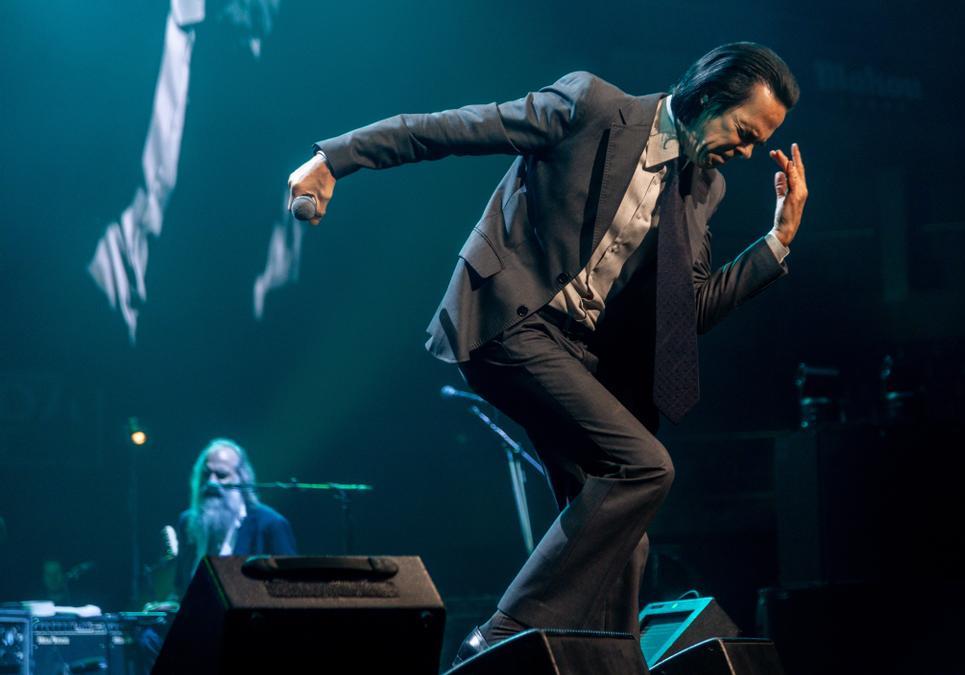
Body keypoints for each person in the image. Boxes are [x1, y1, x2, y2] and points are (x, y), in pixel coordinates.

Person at [288, 42, 807, 662]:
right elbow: (454, 128)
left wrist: (776, 242)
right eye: (744, 132)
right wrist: (335, 160)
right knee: (646, 467)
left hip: (574, 354)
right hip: (507, 321)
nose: (746, 152)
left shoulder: (703, 189)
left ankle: (604, 659)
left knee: (624, 540)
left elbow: (690, 312)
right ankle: (501, 639)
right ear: (705, 98)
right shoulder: (591, 106)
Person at [172, 438, 297, 597]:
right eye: (205, 474)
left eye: (221, 475)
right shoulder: (187, 522)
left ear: (242, 480)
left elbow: (289, 590)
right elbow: (180, 587)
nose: (211, 483)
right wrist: (171, 605)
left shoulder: (270, 524)